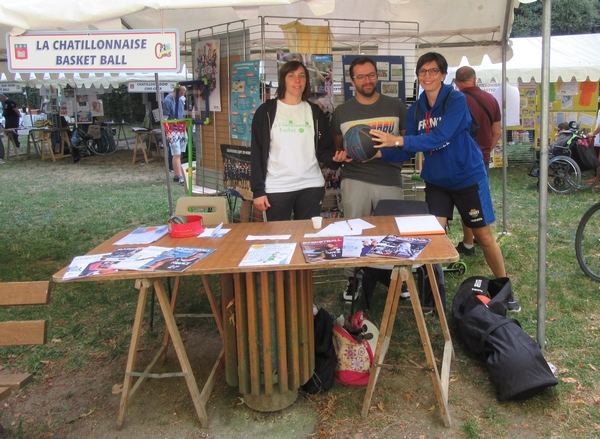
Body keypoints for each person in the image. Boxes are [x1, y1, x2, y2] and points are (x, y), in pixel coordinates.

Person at [362, 52, 520, 312]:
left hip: (467, 177)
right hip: (437, 181)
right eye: (422, 71)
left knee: (484, 236)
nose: (427, 76)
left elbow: (440, 136)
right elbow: (406, 151)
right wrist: (378, 152)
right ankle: (431, 297)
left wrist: (398, 139)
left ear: (443, 75)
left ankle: (504, 288)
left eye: (433, 71)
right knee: (433, 238)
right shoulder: (416, 109)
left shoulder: (456, 100)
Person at [330, 56, 408, 301]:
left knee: (393, 233)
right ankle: (354, 279)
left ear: (377, 75)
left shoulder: (395, 106)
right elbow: (338, 148)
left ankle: (399, 279)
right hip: (355, 179)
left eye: (371, 74)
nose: (367, 80)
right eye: (361, 76)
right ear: (352, 80)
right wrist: (343, 156)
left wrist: (382, 152)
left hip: (390, 178)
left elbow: (406, 146)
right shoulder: (342, 112)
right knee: (354, 233)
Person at [250, 60, 345, 221]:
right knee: (279, 239)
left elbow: (324, 151)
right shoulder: (265, 112)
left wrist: (335, 159)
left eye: (302, 76)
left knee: (307, 238)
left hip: (311, 186)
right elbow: (257, 153)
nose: (297, 80)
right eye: (291, 76)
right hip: (277, 187)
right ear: (283, 80)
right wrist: (258, 190)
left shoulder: (315, 113)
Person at [453, 66, 502, 257]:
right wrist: (486, 150)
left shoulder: (457, 101)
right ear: (475, 79)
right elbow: (497, 131)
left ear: (456, 83)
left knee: (467, 201)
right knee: (479, 202)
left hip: (461, 159)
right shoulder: (491, 99)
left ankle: (468, 242)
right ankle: (479, 239)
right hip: (482, 157)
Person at [162, 85, 187, 185]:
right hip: (172, 130)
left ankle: (177, 175)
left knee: (178, 153)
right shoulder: (168, 101)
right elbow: (165, 119)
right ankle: (180, 176)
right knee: (176, 153)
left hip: (181, 129)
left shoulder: (180, 101)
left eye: (183, 93)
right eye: (181, 93)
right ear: (176, 91)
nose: (182, 95)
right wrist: (168, 133)